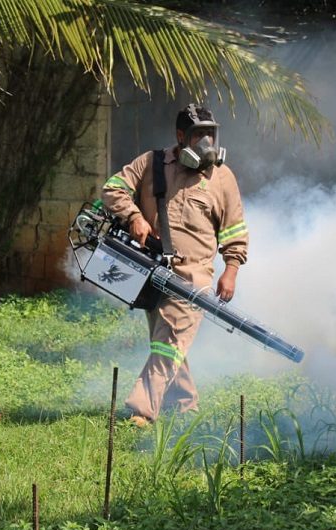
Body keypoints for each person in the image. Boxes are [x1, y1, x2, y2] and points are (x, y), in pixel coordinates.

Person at [101, 103, 249, 427]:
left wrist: (231, 270)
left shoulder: (222, 178)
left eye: (211, 134)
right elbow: (112, 190)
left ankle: (142, 411)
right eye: (199, 135)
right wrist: (134, 216)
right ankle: (185, 406)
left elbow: (235, 230)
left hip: (195, 274)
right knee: (167, 341)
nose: (206, 142)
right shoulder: (152, 163)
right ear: (181, 136)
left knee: (169, 340)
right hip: (152, 269)